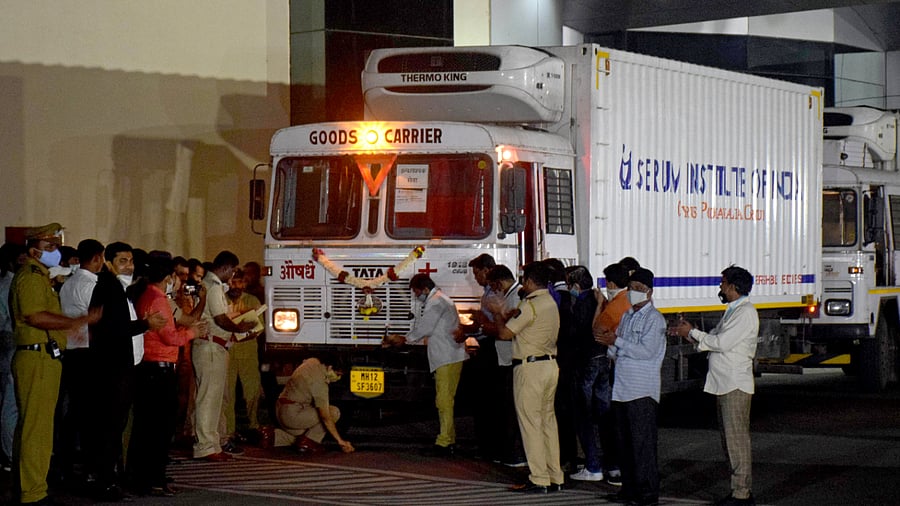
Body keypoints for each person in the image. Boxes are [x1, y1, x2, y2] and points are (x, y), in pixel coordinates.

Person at [9, 223, 98, 505]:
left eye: (55, 246)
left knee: (36, 427)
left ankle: (29, 487)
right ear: (33, 249)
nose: (55, 252)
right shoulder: (32, 277)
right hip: (37, 356)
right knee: (37, 429)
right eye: (50, 247)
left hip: (43, 356)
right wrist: (76, 321)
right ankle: (33, 492)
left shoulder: (40, 276)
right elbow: (35, 316)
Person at [673, 266, 759, 506]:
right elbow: (713, 340)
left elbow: (721, 342)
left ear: (734, 286)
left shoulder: (745, 312)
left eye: (723, 282)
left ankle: (742, 493)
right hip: (725, 383)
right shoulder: (734, 311)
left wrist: (694, 333)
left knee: (736, 440)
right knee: (730, 440)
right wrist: (690, 334)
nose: (720, 287)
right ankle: (738, 491)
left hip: (734, 384)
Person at [88, 241, 165, 501]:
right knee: (110, 426)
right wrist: (146, 324)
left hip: (121, 367)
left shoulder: (120, 289)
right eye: (123, 261)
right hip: (113, 368)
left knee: (114, 425)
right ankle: (105, 481)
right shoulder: (108, 288)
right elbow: (114, 328)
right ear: (108, 262)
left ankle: (110, 478)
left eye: (131, 260)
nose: (129, 266)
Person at [129, 255, 200, 496]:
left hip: (149, 367)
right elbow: (170, 337)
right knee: (158, 428)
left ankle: (145, 476)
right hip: (158, 368)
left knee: (147, 427)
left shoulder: (146, 295)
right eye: (176, 277)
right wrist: (192, 333)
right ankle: (153, 478)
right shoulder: (157, 300)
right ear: (168, 277)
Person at [597, 267, 666, 506]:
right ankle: (629, 489)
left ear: (649, 292)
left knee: (642, 445)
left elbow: (647, 352)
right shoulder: (627, 316)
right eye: (632, 289)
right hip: (622, 389)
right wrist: (609, 342)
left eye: (639, 289)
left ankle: (647, 493)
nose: (634, 293)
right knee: (625, 444)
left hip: (642, 391)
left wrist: (616, 341)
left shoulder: (654, 319)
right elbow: (617, 350)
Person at [494, 261, 563, 494]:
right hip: (550, 365)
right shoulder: (550, 302)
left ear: (531, 281)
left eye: (525, 279)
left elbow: (505, 333)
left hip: (529, 367)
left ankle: (539, 478)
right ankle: (555, 475)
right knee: (548, 423)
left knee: (531, 424)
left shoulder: (530, 304)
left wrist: (498, 316)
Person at [384, 273, 467, 456]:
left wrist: (405, 339)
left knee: (443, 401)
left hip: (447, 356)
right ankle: (449, 439)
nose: (415, 296)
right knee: (446, 400)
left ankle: (444, 443)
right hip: (449, 356)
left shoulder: (436, 301)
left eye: (416, 292)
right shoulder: (440, 299)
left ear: (425, 289)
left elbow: (426, 328)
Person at [192, 251, 257, 461]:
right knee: (209, 399)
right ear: (227, 267)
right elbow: (220, 320)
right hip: (210, 347)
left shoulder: (214, 286)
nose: (233, 276)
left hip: (215, 347)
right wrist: (241, 327)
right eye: (233, 271)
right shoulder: (213, 287)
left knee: (215, 399)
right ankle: (205, 446)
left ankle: (212, 443)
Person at [56, 239, 104, 482]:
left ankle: (65, 461)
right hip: (86, 351)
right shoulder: (91, 285)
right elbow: (96, 319)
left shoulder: (68, 284)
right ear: (97, 258)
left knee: (73, 411)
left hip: (71, 350)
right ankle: (86, 465)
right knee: (87, 413)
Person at [565, 265, 609, 483]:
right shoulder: (598, 301)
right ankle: (612, 464)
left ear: (575, 285)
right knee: (604, 415)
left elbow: (578, 335)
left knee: (584, 415)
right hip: (602, 360)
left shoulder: (582, 304)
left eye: (568, 283)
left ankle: (592, 464)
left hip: (585, 363)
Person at [482, 265, 527, 467]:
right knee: (505, 407)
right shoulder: (510, 296)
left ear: (499, 283)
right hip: (506, 358)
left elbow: (506, 331)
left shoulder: (516, 298)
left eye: (493, 286)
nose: (493, 291)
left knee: (512, 409)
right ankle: (509, 451)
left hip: (513, 359)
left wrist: (496, 316)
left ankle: (516, 453)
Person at [458, 253, 499, 461]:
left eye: (476, 273)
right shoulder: (488, 293)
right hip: (488, 347)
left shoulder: (494, 295)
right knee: (484, 401)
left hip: (492, 349)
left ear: (486, 270)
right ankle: (486, 446)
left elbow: (493, 326)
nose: (475, 278)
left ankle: (489, 448)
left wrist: (473, 326)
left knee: (487, 401)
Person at [273, 354, 354, 453]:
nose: (338, 378)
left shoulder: (312, 361)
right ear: (330, 367)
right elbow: (325, 416)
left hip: (281, 410)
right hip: (293, 414)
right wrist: (340, 441)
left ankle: (273, 436)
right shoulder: (319, 383)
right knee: (333, 412)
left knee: (301, 434)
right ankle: (309, 442)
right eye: (338, 374)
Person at [544, 258, 578, 473]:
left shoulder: (558, 299)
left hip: (562, 362)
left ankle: (566, 458)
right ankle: (565, 457)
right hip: (566, 361)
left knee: (561, 412)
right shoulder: (566, 297)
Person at [223, 269, 264, 444]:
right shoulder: (221, 300)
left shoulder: (251, 300)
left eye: (239, 282)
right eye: (233, 282)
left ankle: (253, 426)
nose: (236, 286)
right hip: (228, 352)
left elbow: (258, 328)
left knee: (252, 390)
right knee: (228, 393)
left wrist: (244, 333)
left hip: (247, 351)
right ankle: (229, 431)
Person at [0, 243, 26, 473]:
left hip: (10, 348)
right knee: (12, 405)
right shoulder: (10, 285)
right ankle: (10, 454)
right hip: (12, 347)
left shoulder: (9, 284)